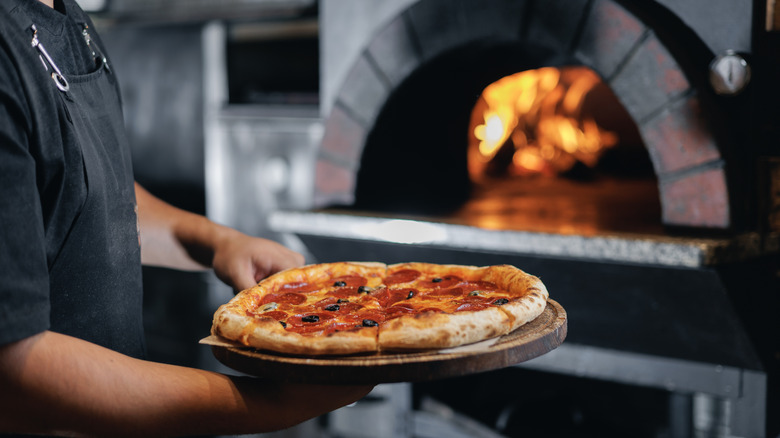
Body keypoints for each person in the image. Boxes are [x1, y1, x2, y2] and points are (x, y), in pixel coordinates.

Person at [0, 0, 372, 436]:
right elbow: (15, 374)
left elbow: (88, 190)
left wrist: (218, 243)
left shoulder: (67, 17)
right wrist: (270, 405)